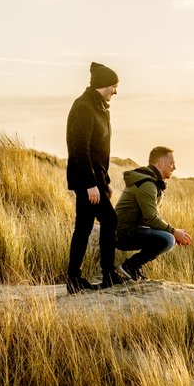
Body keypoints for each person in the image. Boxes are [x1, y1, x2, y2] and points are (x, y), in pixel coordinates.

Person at [64, 61, 122, 292]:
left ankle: (74, 278)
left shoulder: (99, 107)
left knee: (84, 227)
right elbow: (80, 149)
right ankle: (107, 273)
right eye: (114, 86)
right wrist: (90, 184)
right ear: (103, 85)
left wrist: (104, 183)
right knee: (110, 220)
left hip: (95, 180)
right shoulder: (84, 108)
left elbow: (99, 151)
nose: (116, 91)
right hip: (85, 180)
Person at [114, 146, 192, 281]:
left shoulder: (152, 182)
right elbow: (151, 218)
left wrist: (171, 232)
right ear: (160, 164)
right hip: (120, 233)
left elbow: (150, 217)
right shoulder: (147, 184)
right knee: (168, 239)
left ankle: (132, 267)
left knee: (168, 237)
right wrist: (173, 232)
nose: (174, 168)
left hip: (129, 230)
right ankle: (129, 266)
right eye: (171, 163)